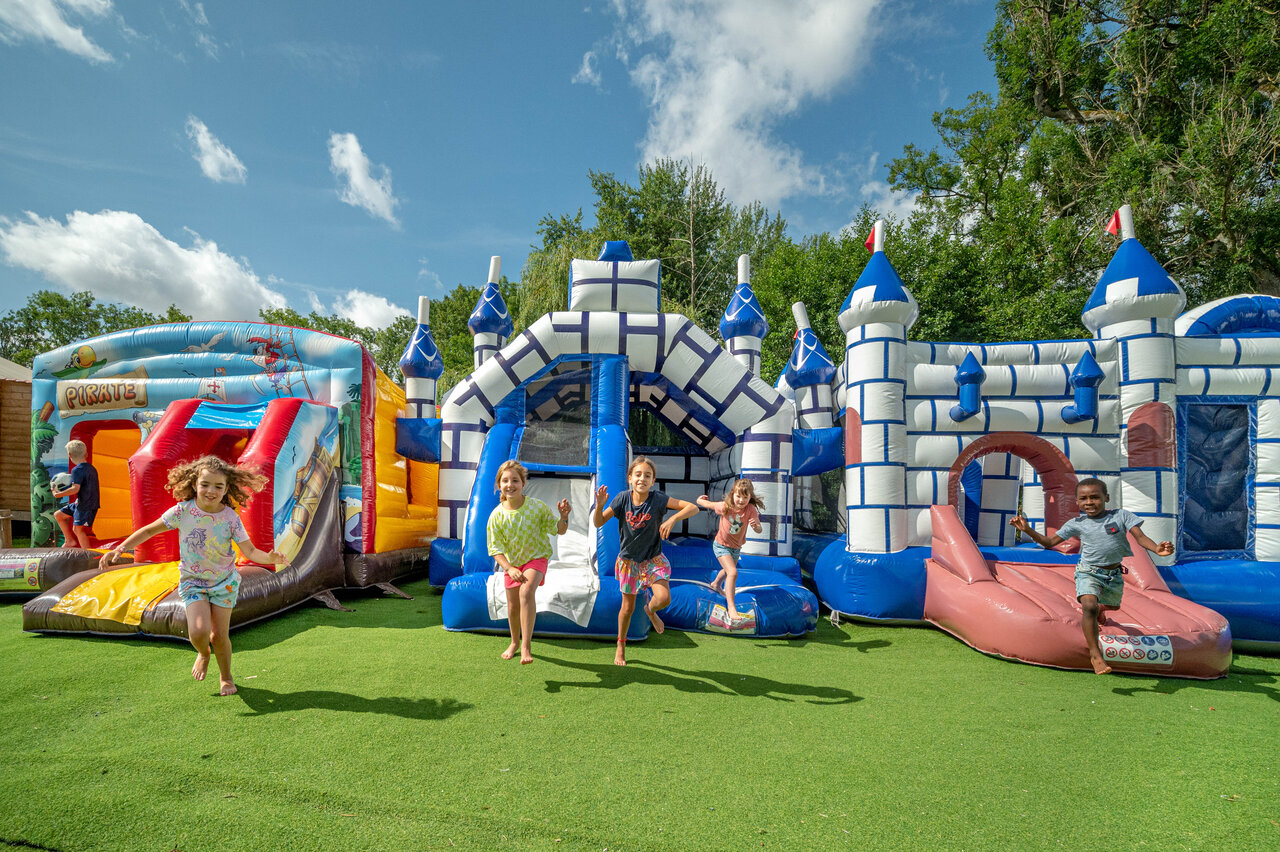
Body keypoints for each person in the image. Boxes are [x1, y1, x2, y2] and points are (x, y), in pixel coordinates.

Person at [98, 455, 288, 696]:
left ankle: (226, 677)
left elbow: (249, 550)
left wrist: (270, 558)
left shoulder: (230, 517)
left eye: (218, 486)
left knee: (219, 635)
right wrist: (120, 548)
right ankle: (202, 653)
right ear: (194, 484)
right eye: (205, 484)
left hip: (223, 583)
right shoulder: (183, 511)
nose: (211, 491)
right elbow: (148, 530)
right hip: (193, 582)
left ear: (226, 488)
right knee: (198, 632)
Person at [1009, 477, 1173, 674]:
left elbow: (1140, 537)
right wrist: (1028, 530)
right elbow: (1049, 542)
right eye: (1084, 499)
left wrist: (1156, 548)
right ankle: (1095, 654)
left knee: (1112, 606)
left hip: (1112, 573)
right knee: (1088, 605)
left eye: (1095, 497)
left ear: (1106, 497)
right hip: (1088, 571)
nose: (1089, 502)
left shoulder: (1121, 516)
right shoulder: (1077, 523)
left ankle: (1099, 610)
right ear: (1077, 502)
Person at [593, 456, 699, 666]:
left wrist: (672, 518)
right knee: (627, 608)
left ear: (653, 481)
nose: (642, 478)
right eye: (638, 474)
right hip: (629, 562)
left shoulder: (658, 500)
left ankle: (650, 610)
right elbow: (598, 522)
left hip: (653, 559)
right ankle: (621, 645)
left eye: (647, 476)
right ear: (630, 478)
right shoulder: (622, 499)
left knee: (664, 598)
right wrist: (599, 505)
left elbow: (692, 507)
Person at [486, 460, 570, 665]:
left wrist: (564, 516)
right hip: (512, 564)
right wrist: (509, 568)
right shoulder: (496, 516)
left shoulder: (536, 507)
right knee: (513, 606)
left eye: (515, 480)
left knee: (526, 591)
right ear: (499, 485)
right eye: (505, 480)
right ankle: (514, 642)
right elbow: (495, 550)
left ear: (523, 483)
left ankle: (526, 646)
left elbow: (559, 530)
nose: (510, 484)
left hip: (536, 559)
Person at [697, 479, 764, 626]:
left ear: (750, 497)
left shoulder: (750, 509)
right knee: (733, 572)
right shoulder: (726, 506)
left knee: (727, 571)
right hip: (721, 546)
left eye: (745, 497)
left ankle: (715, 584)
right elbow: (710, 505)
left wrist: (756, 526)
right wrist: (699, 500)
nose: (741, 500)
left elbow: (759, 528)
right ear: (733, 494)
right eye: (738, 496)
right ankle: (731, 608)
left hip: (736, 548)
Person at [53, 439, 99, 549]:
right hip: (81, 503)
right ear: (86, 454)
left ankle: (87, 554)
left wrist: (59, 494)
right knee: (58, 515)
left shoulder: (77, 470)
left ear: (69, 454)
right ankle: (69, 540)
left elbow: (75, 489)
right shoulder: (91, 468)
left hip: (86, 505)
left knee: (78, 529)